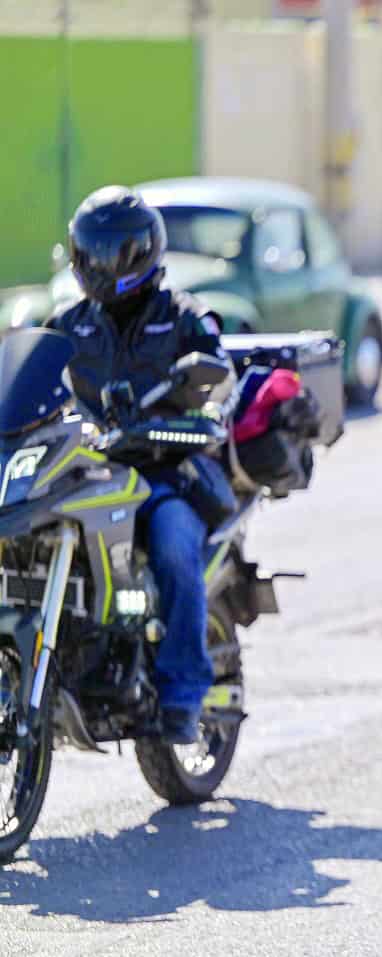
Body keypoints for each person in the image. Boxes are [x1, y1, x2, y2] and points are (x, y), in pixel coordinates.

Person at [46, 186, 235, 746]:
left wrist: (195, 392)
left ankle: (181, 693)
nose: (102, 266)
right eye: (92, 253)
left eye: (114, 253)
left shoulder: (181, 316)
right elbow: (30, 383)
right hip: (85, 471)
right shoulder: (68, 324)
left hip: (162, 472)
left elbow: (218, 374)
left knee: (176, 547)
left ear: (142, 253)